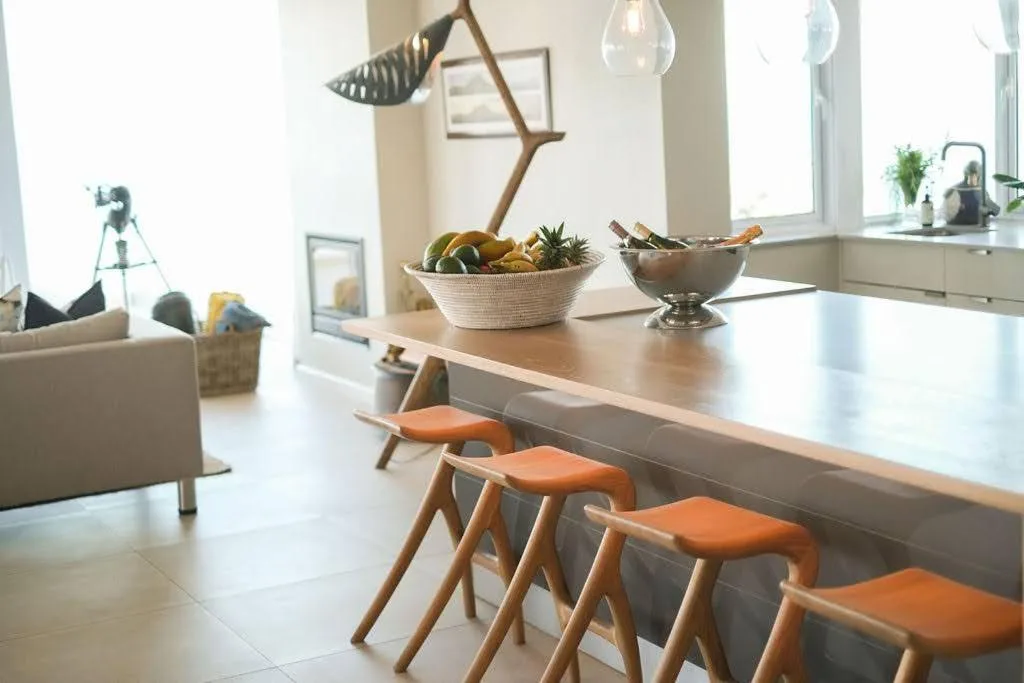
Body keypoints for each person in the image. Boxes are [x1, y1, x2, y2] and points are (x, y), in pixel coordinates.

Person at [942, 160, 1000, 225]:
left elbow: (996, 210)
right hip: (957, 227)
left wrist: (987, 210)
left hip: (978, 228)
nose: (973, 178)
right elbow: (946, 214)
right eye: (971, 175)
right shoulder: (953, 190)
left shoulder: (980, 191)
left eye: (975, 175)